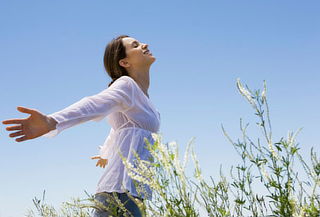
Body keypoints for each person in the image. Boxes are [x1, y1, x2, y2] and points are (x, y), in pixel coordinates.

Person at [2, 35, 161, 217]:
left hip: (133, 190)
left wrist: (105, 152)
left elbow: (118, 128)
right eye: (135, 45)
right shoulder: (127, 85)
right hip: (120, 191)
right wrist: (52, 121)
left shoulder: (145, 100)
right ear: (124, 62)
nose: (144, 44)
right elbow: (93, 104)